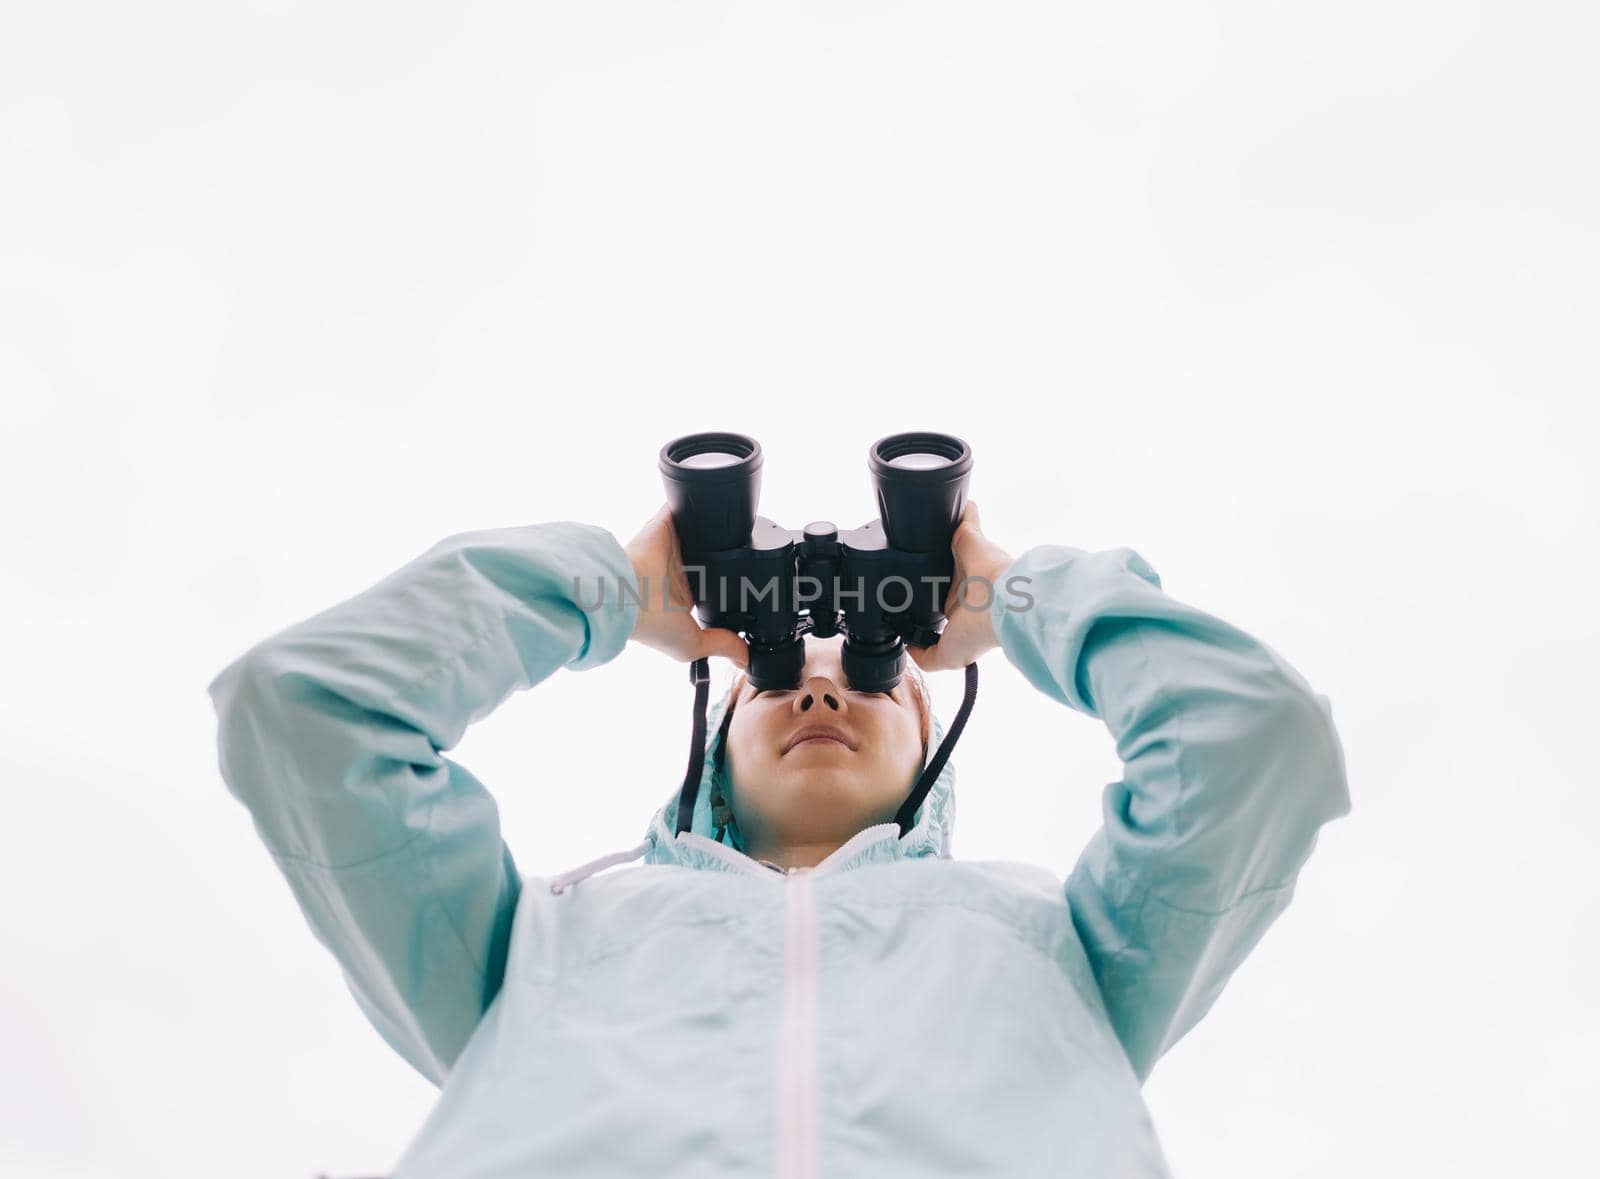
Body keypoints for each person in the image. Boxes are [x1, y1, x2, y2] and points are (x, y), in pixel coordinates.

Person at [206, 500, 1350, 1177]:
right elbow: (302, 711)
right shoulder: (534, 944)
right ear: (711, 745)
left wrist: (1009, 595)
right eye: (769, 680)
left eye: (865, 676)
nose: (816, 693)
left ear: (933, 749)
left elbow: (1251, 737)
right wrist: (616, 587)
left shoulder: (1062, 943)